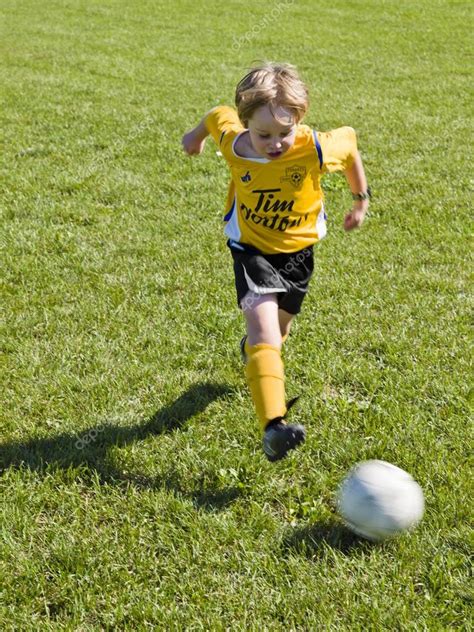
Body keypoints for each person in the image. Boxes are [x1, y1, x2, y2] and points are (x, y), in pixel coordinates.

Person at [182, 61, 370, 462]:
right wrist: (194, 137)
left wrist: (360, 200)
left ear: (299, 121)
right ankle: (274, 427)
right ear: (246, 121)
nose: (275, 143)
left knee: (275, 336)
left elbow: (351, 145)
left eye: (284, 133)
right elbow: (216, 116)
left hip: (299, 255)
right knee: (265, 332)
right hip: (251, 252)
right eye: (264, 133)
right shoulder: (234, 144)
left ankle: (257, 351)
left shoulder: (314, 146)